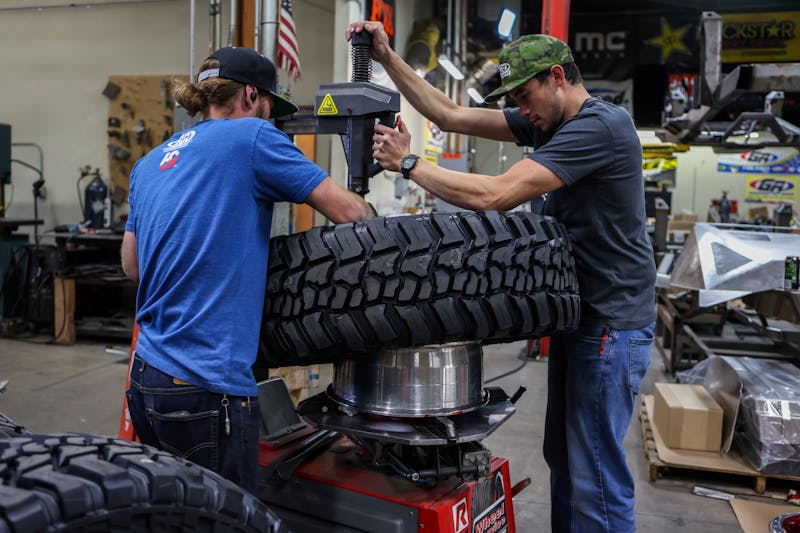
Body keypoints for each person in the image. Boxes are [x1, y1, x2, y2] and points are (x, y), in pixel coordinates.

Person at [347, 22, 656, 533]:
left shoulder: (600, 127)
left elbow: (497, 195)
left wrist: (409, 163)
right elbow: (449, 115)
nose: (521, 109)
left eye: (524, 95)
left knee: (596, 475)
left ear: (557, 77)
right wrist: (386, 55)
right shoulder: (550, 122)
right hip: (582, 319)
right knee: (565, 456)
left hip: (611, 325)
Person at [121, 46, 372, 494]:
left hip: (147, 377)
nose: (270, 116)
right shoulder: (252, 136)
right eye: (271, 105)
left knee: (173, 511)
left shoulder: (149, 162)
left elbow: (132, 266)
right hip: (205, 385)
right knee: (229, 517)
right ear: (251, 95)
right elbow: (352, 215)